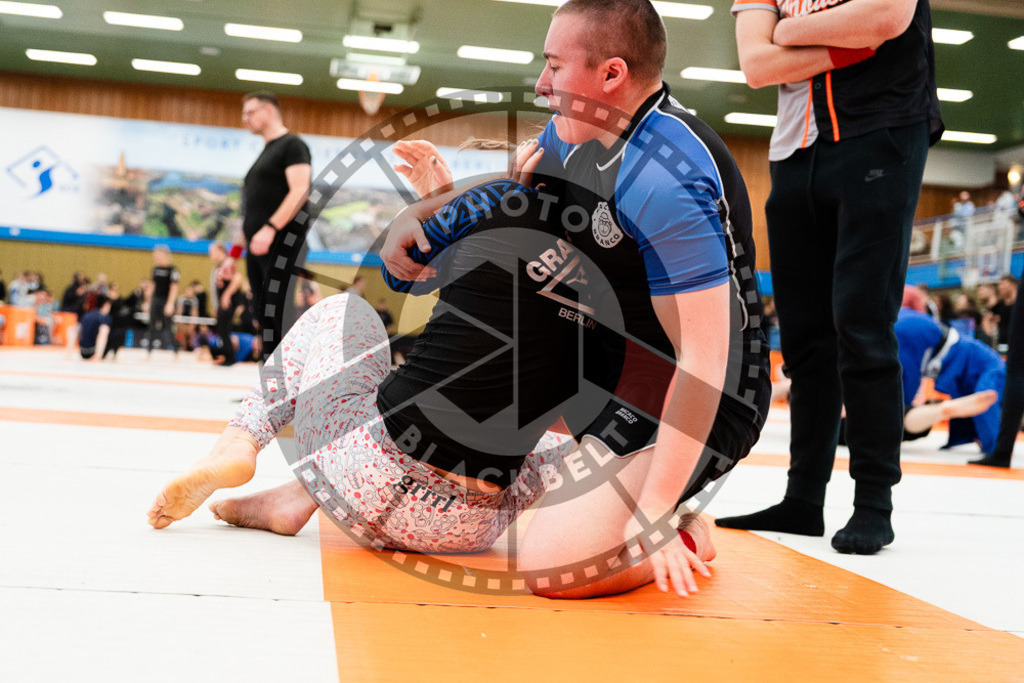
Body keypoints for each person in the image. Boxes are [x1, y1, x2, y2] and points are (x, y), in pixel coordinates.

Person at [383, 0, 770, 596]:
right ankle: (619, 496)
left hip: (703, 389)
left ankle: (684, 529)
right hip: (611, 364)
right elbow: (507, 201)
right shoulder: (574, 135)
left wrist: (655, 511)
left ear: (612, 74)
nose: (541, 83)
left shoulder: (665, 178)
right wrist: (418, 214)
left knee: (554, 569)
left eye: (555, 66)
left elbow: (704, 359)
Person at [148, 176, 723, 572]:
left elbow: (408, 267)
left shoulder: (501, 203)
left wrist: (445, 193)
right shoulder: (621, 298)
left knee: (343, 313)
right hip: (470, 529)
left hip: (366, 476)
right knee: (572, 451)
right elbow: (575, 419)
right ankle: (296, 497)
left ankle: (240, 443)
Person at [717, 0, 943, 555]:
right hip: (794, 150)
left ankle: (873, 503)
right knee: (803, 338)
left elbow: (885, 21)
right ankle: (803, 498)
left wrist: (787, 31)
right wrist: (845, 43)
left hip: (882, 130)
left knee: (863, 324)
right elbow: (757, 65)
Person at [240, 91, 312, 357]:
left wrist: (270, 228)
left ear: (269, 110)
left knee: (277, 311)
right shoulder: (266, 151)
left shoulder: (293, 145)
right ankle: (270, 379)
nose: (245, 118)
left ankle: (287, 379)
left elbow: (300, 191)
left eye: (250, 112)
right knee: (263, 314)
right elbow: (252, 212)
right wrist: (232, 255)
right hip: (258, 246)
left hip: (282, 242)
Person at [209, 242, 244, 366]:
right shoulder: (221, 264)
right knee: (222, 328)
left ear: (220, 251)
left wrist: (226, 295)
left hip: (228, 302)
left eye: (212, 251)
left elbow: (237, 278)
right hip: (223, 302)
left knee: (224, 328)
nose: (210, 254)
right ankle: (227, 356)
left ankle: (230, 358)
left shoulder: (227, 262)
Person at [142, 245, 179, 356]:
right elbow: (153, 285)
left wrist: (170, 304)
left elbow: (174, 287)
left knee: (168, 327)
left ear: (165, 255)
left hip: (166, 300)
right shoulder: (155, 269)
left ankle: (175, 350)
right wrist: (147, 302)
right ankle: (149, 351)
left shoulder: (172, 270)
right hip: (156, 300)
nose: (156, 258)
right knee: (152, 325)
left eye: (158, 255)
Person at [992, 275, 1017, 348]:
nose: (1000, 287)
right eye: (1000, 285)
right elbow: (989, 319)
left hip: (1018, 344)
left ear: (1013, 285)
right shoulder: (999, 306)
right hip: (1003, 344)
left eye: (1003, 284)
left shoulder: (1020, 304)